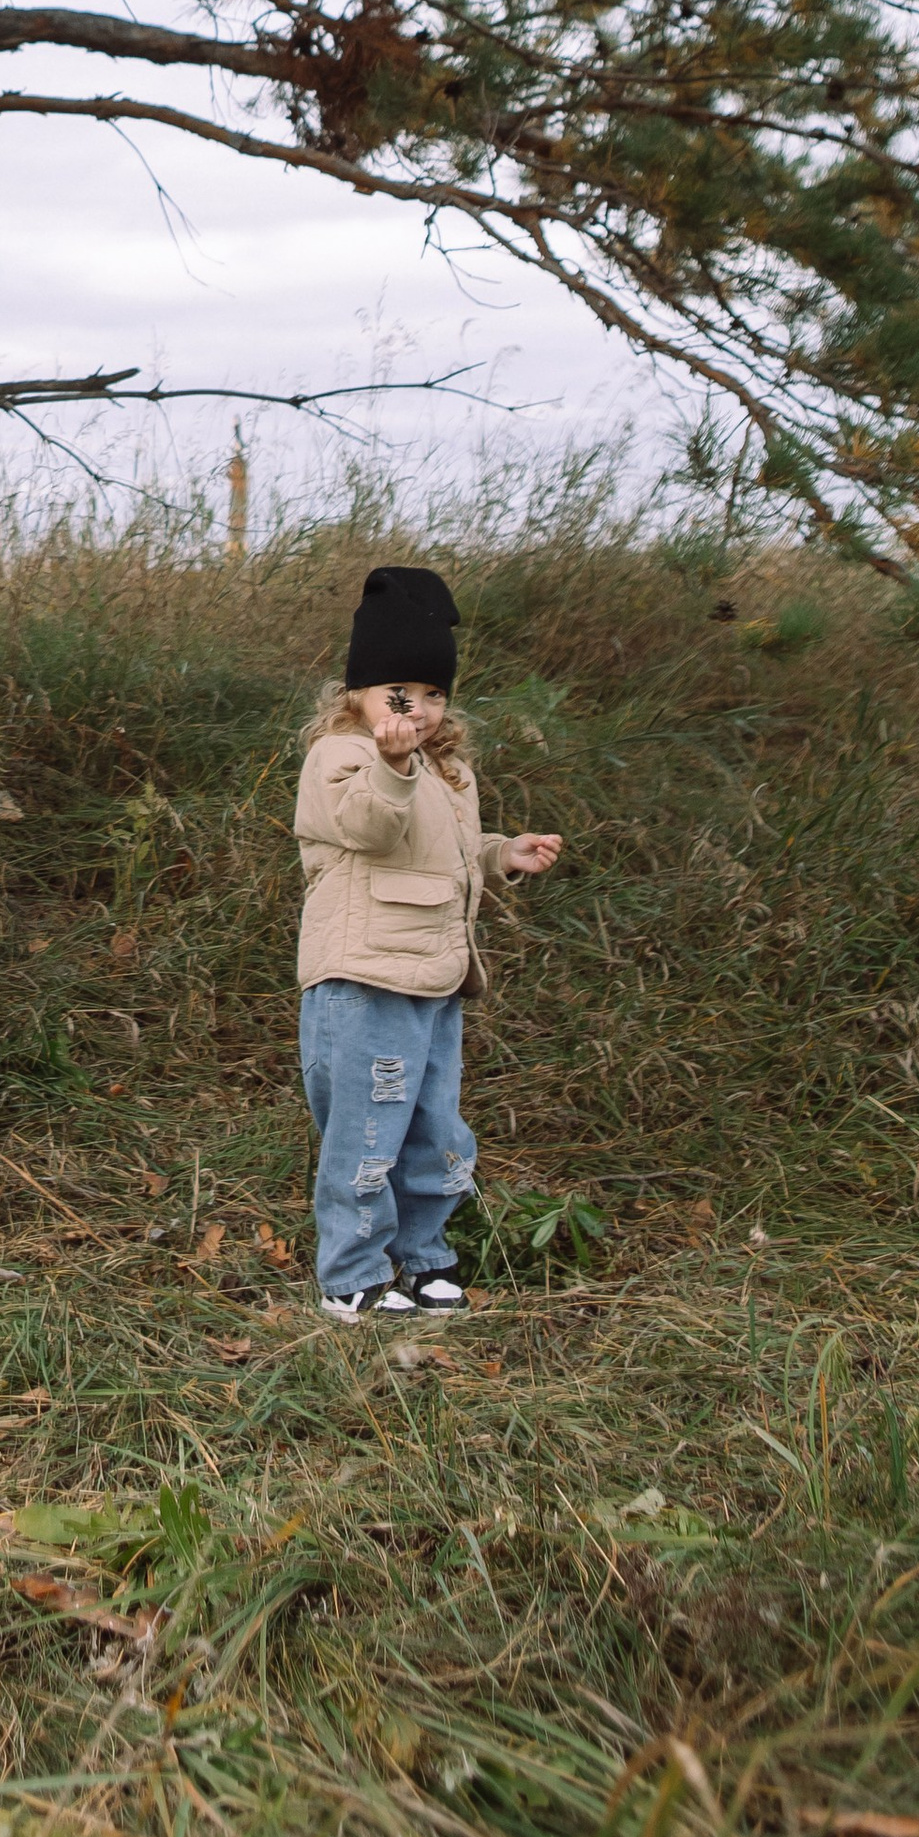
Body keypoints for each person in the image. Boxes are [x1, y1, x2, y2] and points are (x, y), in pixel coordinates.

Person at [293, 564, 563, 1323]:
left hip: (437, 980)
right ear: (359, 697)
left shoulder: (450, 772)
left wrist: (501, 854)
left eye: (436, 695)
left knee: (435, 1128)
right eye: (400, 697)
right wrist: (392, 762)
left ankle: (423, 1258)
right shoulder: (340, 760)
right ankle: (351, 1272)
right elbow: (370, 827)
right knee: (367, 1129)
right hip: (366, 977)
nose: (421, 713)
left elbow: (445, 853)